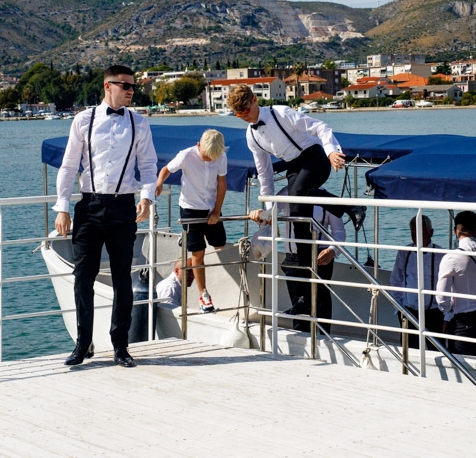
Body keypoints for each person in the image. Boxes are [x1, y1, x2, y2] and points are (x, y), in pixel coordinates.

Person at [53, 65, 157, 368]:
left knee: (123, 279)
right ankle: (83, 344)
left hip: (124, 207)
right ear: (107, 85)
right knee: (82, 278)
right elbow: (69, 165)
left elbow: (148, 164)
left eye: (133, 87)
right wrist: (62, 206)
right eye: (125, 86)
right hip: (89, 207)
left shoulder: (140, 123)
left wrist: (147, 197)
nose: (130, 92)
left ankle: (120, 346)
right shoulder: (83, 120)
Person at [228, 84, 365, 309]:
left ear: (254, 100)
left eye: (246, 111)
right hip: (294, 167)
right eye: (239, 115)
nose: (245, 117)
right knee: (295, 212)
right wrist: (268, 206)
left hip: (315, 159)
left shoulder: (280, 113)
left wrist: (331, 151)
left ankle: (310, 260)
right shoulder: (251, 135)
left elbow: (320, 127)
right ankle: (305, 279)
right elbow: (265, 173)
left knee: (298, 197)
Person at [250, 187, 347, 333]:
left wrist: (333, 250)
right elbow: (271, 213)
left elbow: (339, 232)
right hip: (293, 257)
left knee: (320, 300)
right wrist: (260, 213)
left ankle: (324, 336)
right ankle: (301, 339)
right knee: (298, 302)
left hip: (320, 255)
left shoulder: (328, 197)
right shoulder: (287, 192)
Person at [155, 129, 228, 313]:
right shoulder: (186, 155)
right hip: (189, 208)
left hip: (210, 207)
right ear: (198, 145)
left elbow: (221, 184)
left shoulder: (220, 157)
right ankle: (204, 295)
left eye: (212, 157)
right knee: (199, 253)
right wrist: (159, 182)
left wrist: (217, 211)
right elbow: (166, 169)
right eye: (206, 156)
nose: (209, 160)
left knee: (220, 244)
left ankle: (188, 239)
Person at [436, 211, 476, 358]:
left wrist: (448, 313)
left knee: (463, 366)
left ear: (455, 231)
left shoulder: (451, 258)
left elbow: (441, 297)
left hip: (465, 322)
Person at [389, 214, 444, 348]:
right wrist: (399, 309)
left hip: (434, 312)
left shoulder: (441, 254)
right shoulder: (404, 252)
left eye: (422, 233)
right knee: (409, 350)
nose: (418, 237)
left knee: (436, 350)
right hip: (409, 311)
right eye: (414, 234)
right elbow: (396, 280)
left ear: (431, 233)